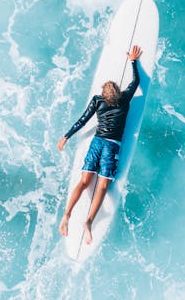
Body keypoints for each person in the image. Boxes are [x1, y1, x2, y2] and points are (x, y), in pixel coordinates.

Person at [57, 45, 142, 244]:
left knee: (84, 182)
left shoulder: (97, 101)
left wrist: (66, 136)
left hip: (96, 144)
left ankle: (67, 215)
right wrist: (133, 61)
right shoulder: (125, 99)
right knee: (102, 186)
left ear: (104, 95)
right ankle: (88, 222)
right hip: (111, 146)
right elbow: (136, 82)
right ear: (118, 94)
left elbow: (83, 120)